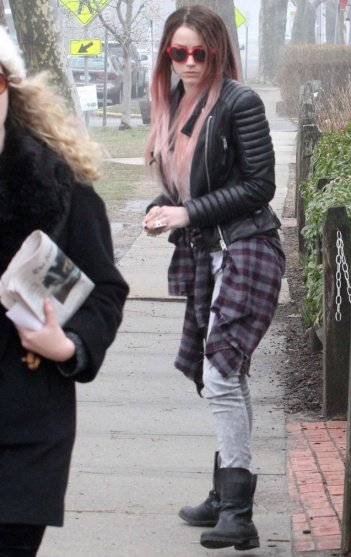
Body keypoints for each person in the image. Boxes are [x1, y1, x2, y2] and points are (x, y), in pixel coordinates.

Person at [142, 5, 285, 551]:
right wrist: (163, 209)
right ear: (167, 54)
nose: (190, 62)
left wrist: (188, 214)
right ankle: (227, 493)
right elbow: (187, 186)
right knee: (225, 375)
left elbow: (260, 186)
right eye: (179, 52)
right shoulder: (174, 104)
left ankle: (238, 515)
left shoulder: (239, 102)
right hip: (209, 253)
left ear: (218, 52)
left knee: (223, 373)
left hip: (248, 248)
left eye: (200, 53)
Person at [0, 27, 129, 556]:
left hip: (26, 428)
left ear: (9, 87)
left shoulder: (58, 186)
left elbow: (104, 291)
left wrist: (69, 345)